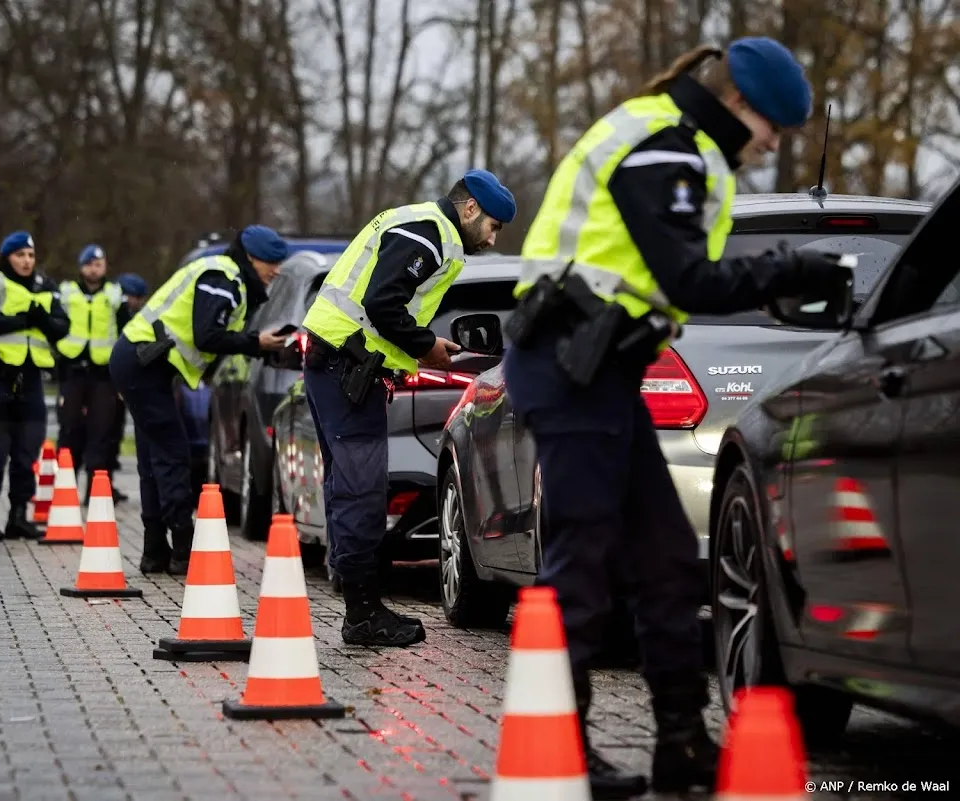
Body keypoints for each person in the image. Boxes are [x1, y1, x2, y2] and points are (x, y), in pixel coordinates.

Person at [502, 38, 854, 799]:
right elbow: (685, 274)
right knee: (583, 559)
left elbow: (672, 275)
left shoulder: (683, 145)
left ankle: (683, 747)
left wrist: (778, 282)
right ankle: (553, 745)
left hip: (600, 369)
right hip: (570, 365)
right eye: (771, 129)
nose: (772, 146)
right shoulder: (664, 146)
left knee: (665, 558)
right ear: (740, 107)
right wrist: (788, 269)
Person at [299, 170, 516, 648]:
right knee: (362, 490)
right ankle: (363, 614)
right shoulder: (430, 234)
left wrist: (418, 347)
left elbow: (380, 302)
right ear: (470, 209)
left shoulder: (415, 223)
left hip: (336, 359)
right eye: (494, 226)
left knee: (347, 485)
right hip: (347, 365)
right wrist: (424, 347)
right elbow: (382, 303)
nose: (493, 238)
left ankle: (357, 597)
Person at [109, 226, 291, 575]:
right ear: (251, 258)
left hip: (141, 362)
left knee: (154, 456)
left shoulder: (226, 276)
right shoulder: (222, 277)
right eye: (272, 262)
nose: (277, 270)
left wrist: (258, 347)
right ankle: (182, 549)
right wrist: (256, 343)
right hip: (142, 363)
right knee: (173, 453)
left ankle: (156, 552)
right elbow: (207, 335)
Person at [0, 231, 70, 541]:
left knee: (27, 452)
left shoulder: (45, 286)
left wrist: (37, 318)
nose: (27, 261)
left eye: (30, 255)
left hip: (31, 381)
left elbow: (61, 328)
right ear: (7, 256)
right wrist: (29, 319)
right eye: (20, 255)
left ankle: (18, 516)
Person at [55, 245, 129, 504]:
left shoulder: (114, 294)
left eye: (99, 263)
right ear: (81, 266)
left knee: (102, 433)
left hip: (103, 374)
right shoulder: (66, 293)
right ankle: (64, 491)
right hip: (73, 371)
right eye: (90, 264)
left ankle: (96, 493)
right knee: (70, 430)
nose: (94, 268)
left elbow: (124, 331)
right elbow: (55, 326)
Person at [106, 272, 150, 500]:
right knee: (106, 434)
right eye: (137, 298)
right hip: (107, 382)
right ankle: (101, 485)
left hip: (115, 381)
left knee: (113, 434)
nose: (139, 303)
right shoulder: (120, 315)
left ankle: (107, 483)